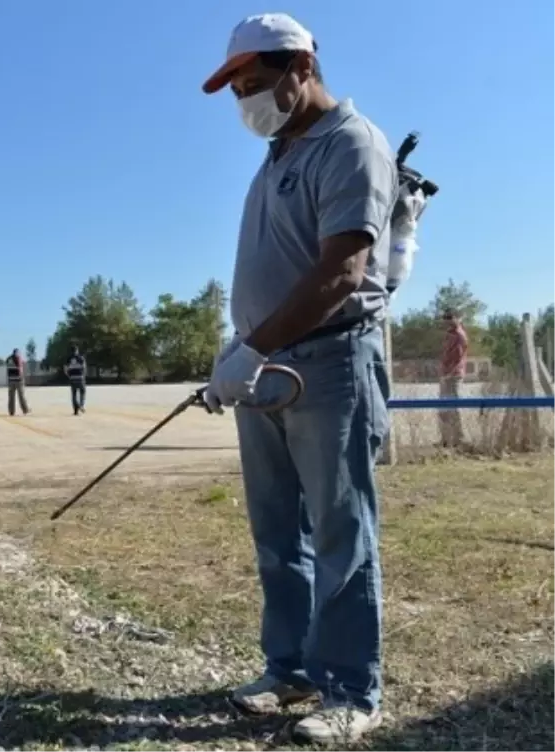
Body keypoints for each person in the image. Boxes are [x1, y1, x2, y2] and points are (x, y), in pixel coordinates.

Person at [199, 13, 394, 745]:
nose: (244, 99)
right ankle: (289, 668)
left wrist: (254, 347)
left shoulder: (350, 144)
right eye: (236, 88)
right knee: (278, 532)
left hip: (329, 364)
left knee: (342, 532)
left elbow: (341, 272)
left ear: (302, 67)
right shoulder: (280, 151)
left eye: (254, 82)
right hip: (268, 368)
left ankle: (352, 691)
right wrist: (242, 346)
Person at [438, 309, 468, 447]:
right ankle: (446, 439)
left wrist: (449, 374)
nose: (447, 320)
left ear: (458, 318)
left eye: (450, 317)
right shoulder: (448, 335)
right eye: (445, 318)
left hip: (453, 376)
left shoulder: (460, 336)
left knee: (455, 407)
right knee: (443, 408)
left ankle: (459, 439)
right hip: (445, 375)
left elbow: (458, 359)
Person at [5, 348, 30, 416]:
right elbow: (20, 369)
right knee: (21, 396)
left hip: (11, 380)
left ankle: (11, 411)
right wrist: (22, 377)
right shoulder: (18, 358)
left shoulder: (8, 359)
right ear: (17, 353)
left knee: (11, 397)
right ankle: (25, 410)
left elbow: (8, 369)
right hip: (18, 380)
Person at [64, 346, 87, 415]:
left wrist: (68, 375)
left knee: (74, 394)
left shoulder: (68, 358)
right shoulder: (81, 358)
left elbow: (65, 368)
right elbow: (84, 367)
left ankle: (76, 410)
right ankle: (81, 405)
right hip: (80, 377)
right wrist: (84, 375)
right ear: (77, 350)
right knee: (82, 391)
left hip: (72, 377)